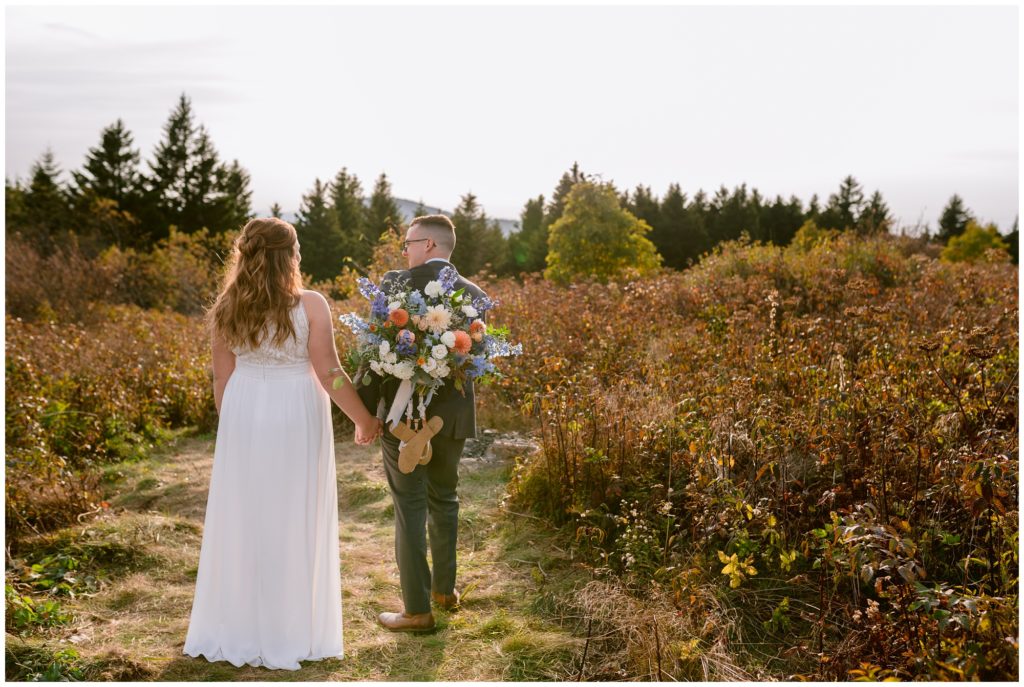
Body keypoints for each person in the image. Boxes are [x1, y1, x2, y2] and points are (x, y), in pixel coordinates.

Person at [183, 217, 382, 670]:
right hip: (296, 409)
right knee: (294, 511)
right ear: (290, 256)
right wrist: (365, 419)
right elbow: (330, 372)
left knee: (246, 514)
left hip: (244, 406)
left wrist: (233, 425)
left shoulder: (227, 305)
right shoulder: (310, 304)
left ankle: (239, 624)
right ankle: (291, 627)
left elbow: (221, 375)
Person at [357, 214, 488, 633]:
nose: (405, 250)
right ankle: (444, 591)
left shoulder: (395, 285)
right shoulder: (477, 296)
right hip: (450, 420)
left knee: (409, 507)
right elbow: (475, 366)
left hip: (403, 420)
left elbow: (373, 356)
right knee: (445, 498)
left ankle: (416, 610)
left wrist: (364, 413)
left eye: (409, 242)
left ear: (429, 245)